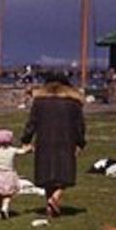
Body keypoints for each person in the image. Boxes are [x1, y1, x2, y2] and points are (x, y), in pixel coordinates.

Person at [21, 73, 86, 219]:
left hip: (44, 140)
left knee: (46, 174)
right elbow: (79, 125)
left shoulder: (39, 102)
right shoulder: (73, 102)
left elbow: (32, 123)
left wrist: (26, 139)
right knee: (65, 173)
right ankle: (55, 198)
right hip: (66, 140)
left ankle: (49, 203)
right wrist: (80, 142)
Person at [0, 129, 33, 219]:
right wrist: (29, 149)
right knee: (8, 194)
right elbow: (22, 151)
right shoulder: (11, 150)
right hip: (9, 174)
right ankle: (5, 207)